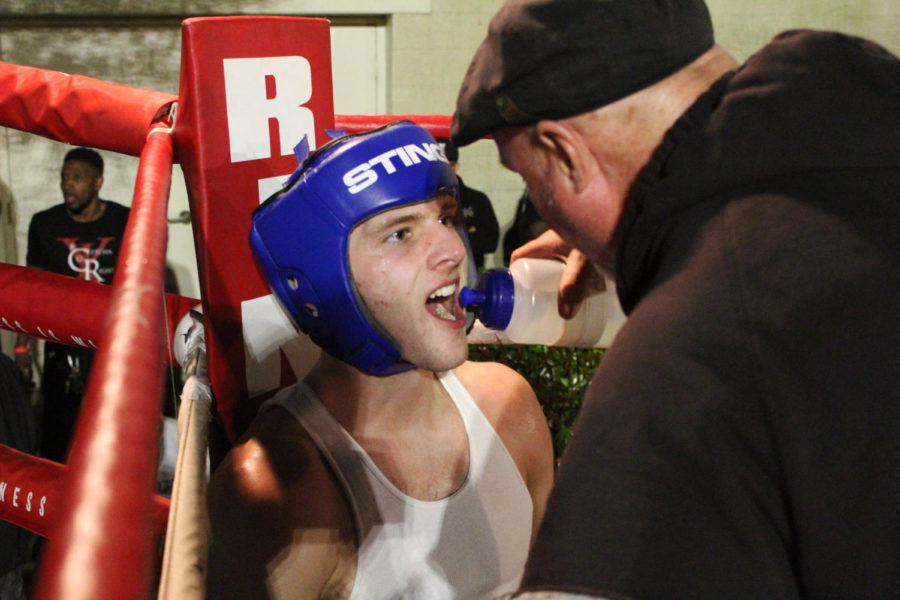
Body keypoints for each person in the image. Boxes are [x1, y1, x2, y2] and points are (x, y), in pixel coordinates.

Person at [451, 0, 900, 598]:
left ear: (563, 154)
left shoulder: (682, 364)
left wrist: (680, 293)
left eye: (534, 181)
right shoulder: (862, 117)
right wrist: (647, 244)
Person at [206, 121, 554, 599]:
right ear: (317, 285)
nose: (452, 250)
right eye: (399, 234)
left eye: (446, 218)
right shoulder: (279, 495)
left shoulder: (508, 407)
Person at [15, 147, 129, 462]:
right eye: (65, 177)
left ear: (98, 182)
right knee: (57, 433)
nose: (68, 185)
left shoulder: (124, 220)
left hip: (109, 338)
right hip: (60, 339)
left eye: (78, 178)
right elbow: (31, 288)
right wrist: (23, 348)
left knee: (109, 428)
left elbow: (142, 284)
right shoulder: (45, 224)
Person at [439, 138, 500, 269]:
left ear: (456, 166)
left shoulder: (477, 199)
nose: (442, 172)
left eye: (447, 165)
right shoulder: (421, 203)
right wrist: (467, 233)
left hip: (473, 271)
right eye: (438, 166)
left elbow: (490, 242)